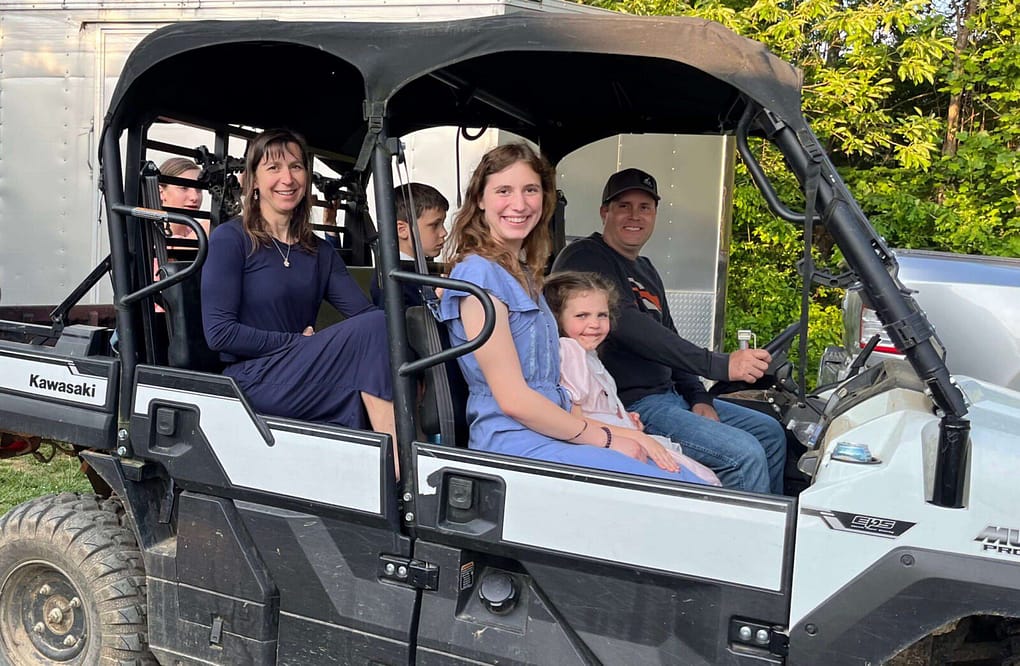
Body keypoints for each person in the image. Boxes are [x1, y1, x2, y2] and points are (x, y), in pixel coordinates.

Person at [437, 143, 704, 483]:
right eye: (504, 191)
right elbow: (514, 400)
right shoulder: (479, 276)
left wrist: (629, 434)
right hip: (515, 440)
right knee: (680, 486)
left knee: (684, 470)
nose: (519, 204)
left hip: (554, 428)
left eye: (530, 190)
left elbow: (553, 392)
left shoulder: (523, 275)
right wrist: (607, 438)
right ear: (480, 200)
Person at [552, 168, 787, 493]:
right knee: (743, 454)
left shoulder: (646, 269)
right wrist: (720, 364)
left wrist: (698, 396)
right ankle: (733, 540)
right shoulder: (585, 256)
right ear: (605, 212)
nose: (635, 216)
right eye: (624, 206)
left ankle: (774, 534)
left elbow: (669, 339)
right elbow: (627, 326)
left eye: (645, 207)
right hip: (635, 404)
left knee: (770, 432)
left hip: (671, 397)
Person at [201, 129, 396, 443]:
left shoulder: (319, 251)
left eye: (296, 167)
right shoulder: (231, 239)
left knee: (381, 333)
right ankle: (402, 473)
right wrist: (296, 343)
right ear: (252, 181)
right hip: (253, 377)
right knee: (375, 334)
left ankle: (387, 468)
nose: (287, 179)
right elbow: (220, 333)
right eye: (273, 168)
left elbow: (364, 315)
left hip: (302, 371)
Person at [544, 271, 720, 486]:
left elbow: (596, 405)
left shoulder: (589, 355)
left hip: (617, 434)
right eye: (582, 316)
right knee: (699, 482)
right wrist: (636, 436)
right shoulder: (570, 352)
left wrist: (623, 416)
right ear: (557, 317)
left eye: (602, 315)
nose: (595, 324)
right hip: (602, 444)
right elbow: (575, 420)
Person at [369, 182, 449, 308]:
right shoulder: (390, 281)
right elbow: (399, 326)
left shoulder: (428, 269)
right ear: (402, 230)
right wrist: (438, 299)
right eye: (434, 225)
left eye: (442, 224)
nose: (444, 232)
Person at [157, 157, 208, 239]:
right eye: (184, 188)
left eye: (199, 189)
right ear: (161, 192)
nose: (194, 197)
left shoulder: (194, 230)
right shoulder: (152, 235)